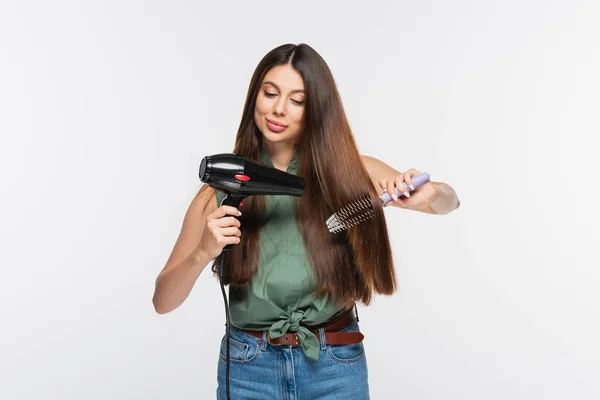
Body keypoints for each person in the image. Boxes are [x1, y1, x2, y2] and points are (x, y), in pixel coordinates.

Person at [152, 43, 460, 399]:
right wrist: (203, 252)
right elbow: (163, 301)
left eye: (297, 100)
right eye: (270, 93)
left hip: (333, 365)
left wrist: (432, 195)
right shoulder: (220, 191)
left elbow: (449, 202)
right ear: (255, 96)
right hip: (248, 369)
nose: (278, 109)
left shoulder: (347, 173)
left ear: (315, 109)